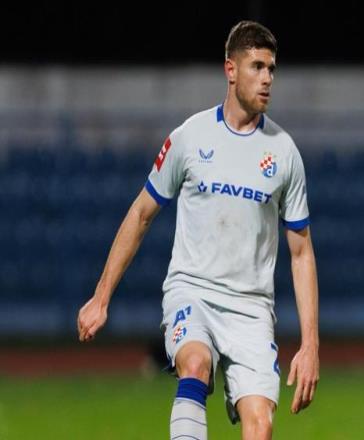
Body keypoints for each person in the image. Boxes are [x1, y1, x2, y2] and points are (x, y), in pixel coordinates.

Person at [77, 21, 319, 440]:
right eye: (257, 66)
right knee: (194, 364)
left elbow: (301, 253)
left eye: (272, 69)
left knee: (260, 426)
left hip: (251, 308)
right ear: (231, 69)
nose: (267, 79)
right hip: (194, 292)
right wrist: (101, 296)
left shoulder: (284, 153)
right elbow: (141, 213)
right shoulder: (190, 138)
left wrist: (311, 344)